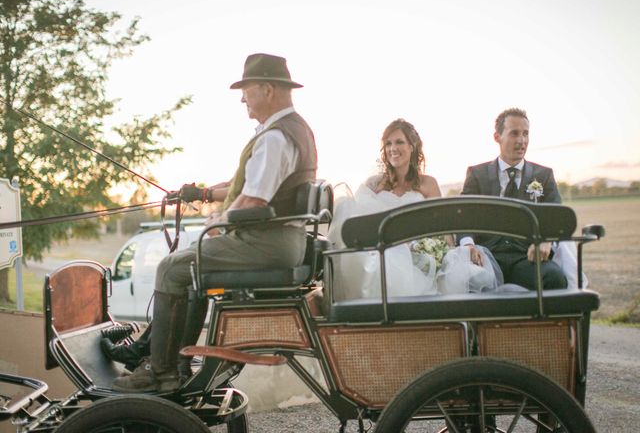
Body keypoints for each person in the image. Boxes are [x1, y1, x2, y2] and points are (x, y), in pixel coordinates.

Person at [112, 53, 317, 393]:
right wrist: (207, 195)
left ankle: (159, 373)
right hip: (282, 241)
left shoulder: (275, 138)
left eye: (246, 89)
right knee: (189, 268)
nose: (242, 98)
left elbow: (254, 199)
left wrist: (221, 221)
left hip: (267, 243)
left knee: (169, 268)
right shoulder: (290, 130)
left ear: (266, 89)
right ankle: (174, 363)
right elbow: (248, 187)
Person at [328, 119, 498, 300]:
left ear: (412, 146)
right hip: (380, 250)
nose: (393, 148)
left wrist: (445, 250)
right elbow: (358, 221)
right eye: (388, 143)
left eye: (399, 142)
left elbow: (443, 228)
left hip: (418, 256)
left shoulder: (428, 183)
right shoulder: (374, 184)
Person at [460, 107, 568, 290]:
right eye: (514, 133)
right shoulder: (477, 174)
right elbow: (463, 217)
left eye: (526, 134)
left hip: (527, 259)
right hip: (486, 258)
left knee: (554, 278)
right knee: (465, 282)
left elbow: (555, 216)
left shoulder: (544, 175)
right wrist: (469, 245)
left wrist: (545, 240)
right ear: (497, 137)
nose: (522, 141)